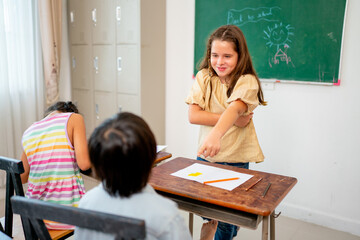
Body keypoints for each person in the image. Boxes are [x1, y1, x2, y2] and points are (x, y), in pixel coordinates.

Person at [74, 112, 217, 240]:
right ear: (149, 160)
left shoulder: (86, 203)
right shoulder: (166, 216)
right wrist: (206, 238)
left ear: (97, 163)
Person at [185, 25, 267, 240]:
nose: (220, 62)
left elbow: (235, 108)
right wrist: (235, 122)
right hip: (206, 156)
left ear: (240, 56)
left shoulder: (247, 81)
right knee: (206, 208)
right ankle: (209, 225)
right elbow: (193, 115)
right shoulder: (203, 77)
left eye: (227, 56)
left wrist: (216, 133)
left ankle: (225, 230)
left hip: (235, 160)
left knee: (227, 218)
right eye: (215, 55)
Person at [20, 101, 91, 229]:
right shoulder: (74, 118)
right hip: (66, 216)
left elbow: (22, 177)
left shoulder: (28, 132)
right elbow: (84, 164)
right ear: (70, 112)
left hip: (34, 217)